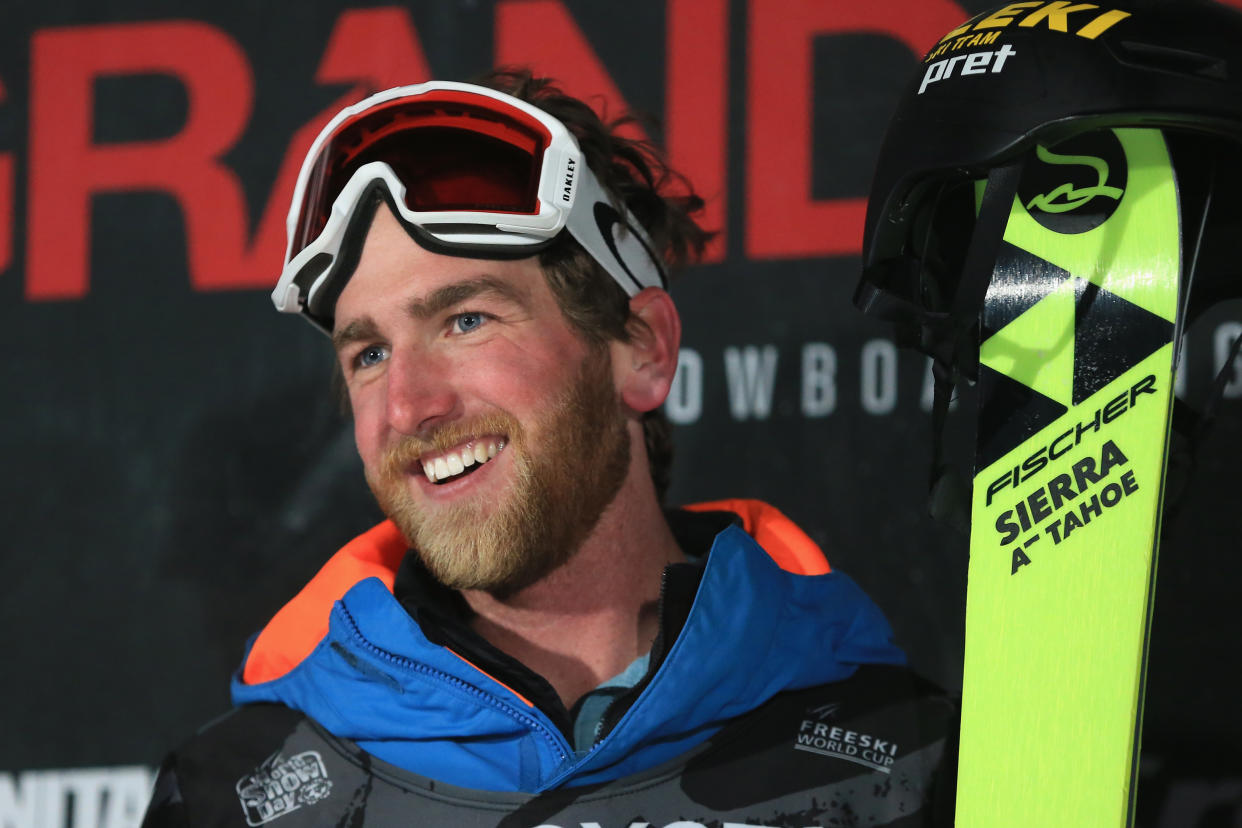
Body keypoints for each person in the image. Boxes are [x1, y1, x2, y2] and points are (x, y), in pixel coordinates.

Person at [142, 70, 955, 827]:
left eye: (466, 321)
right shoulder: (233, 796)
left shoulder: (910, 758)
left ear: (641, 348)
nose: (409, 406)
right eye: (369, 354)